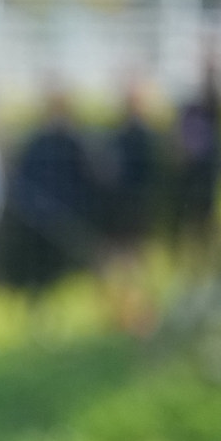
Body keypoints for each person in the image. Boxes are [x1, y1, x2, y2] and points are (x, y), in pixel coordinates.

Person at [2, 89, 100, 309]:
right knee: (41, 270)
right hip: (39, 222)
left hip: (67, 219)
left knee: (65, 271)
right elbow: (24, 179)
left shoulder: (74, 143)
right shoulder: (39, 143)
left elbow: (88, 181)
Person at [100, 83, 161, 333]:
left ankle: (140, 316)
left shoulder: (139, 136)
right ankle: (127, 315)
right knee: (125, 267)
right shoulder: (122, 135)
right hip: (124, 211)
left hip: (134, 210)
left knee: (133, 266)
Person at [172, 64, 221, 276]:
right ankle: (199, 272)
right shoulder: (192, 111)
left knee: (208, 226)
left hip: (207, 178)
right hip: (193, 180)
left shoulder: (212, 112)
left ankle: (216, 271)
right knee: (196, 227)